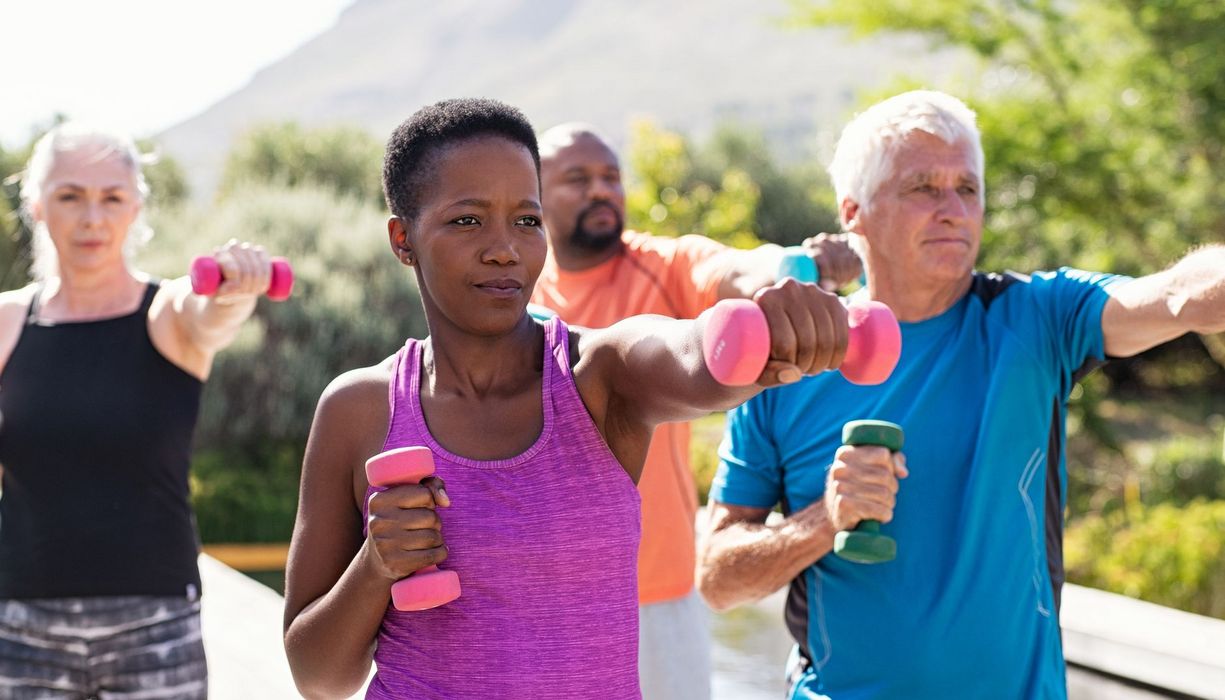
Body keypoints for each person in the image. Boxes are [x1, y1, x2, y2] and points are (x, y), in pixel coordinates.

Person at [281, 98, 851, 700]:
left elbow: (691, 357)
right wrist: (377, 566)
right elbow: (317, 679)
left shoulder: (598, 376)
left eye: (527, 221)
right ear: (404, 239)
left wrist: (766, 335)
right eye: (468, 220)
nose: (504, 249)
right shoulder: (359, 410)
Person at [695, 89, 1225, 699]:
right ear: (854, 212)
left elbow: (1178, 292)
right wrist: (824, 520)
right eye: (923, 187)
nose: (953, 209)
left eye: (967, 189)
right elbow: (716, 579)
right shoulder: (788, 363)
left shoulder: (1037, 317)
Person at [531, 122, 862, 700]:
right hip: (537, 597)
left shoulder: (664, 264)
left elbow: (737, 270)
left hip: (657, 593)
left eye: (611, 177)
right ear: (532, 193)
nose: (601, 191)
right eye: (577, 179)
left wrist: (796, 268)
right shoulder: (517, 292)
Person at [0, 123, 278, 698]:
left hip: (154, 628)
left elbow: (211, 316)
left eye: (112, 198)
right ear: (36, 205)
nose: (92, 218)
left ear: (137, 208)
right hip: (20, 627)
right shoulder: (7, 324)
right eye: (70, 196)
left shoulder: (169, 314)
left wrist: (233, 292)